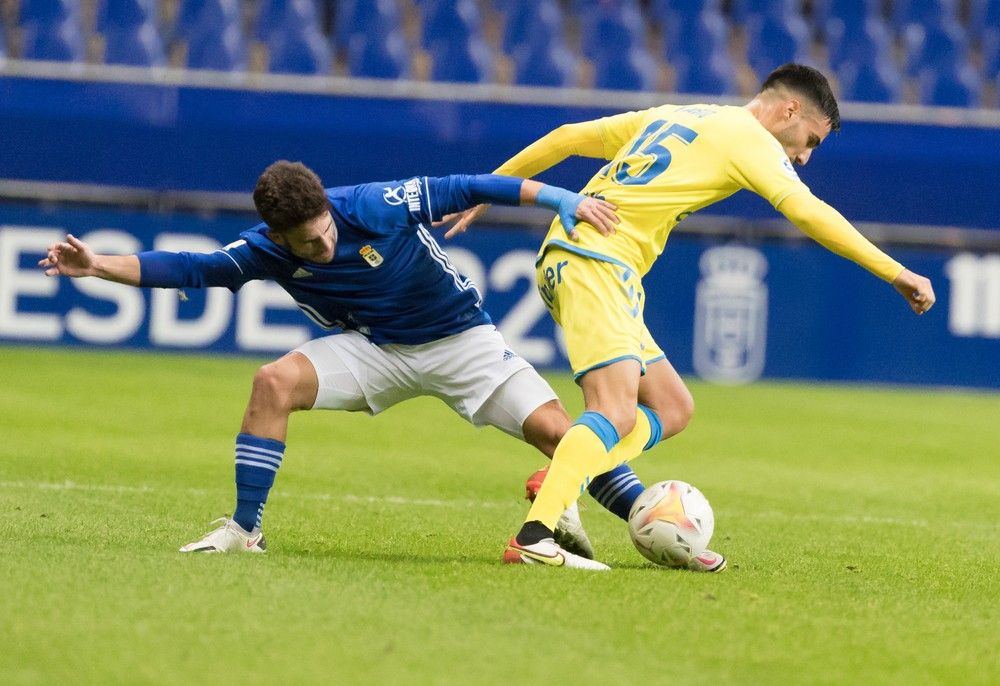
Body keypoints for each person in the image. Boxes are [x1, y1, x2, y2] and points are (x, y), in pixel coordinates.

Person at [441, 64, 936, 569]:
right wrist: (896, 272)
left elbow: (567, 137)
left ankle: (574, 476)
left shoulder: (678, 114)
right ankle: (534, 535)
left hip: (595, 265)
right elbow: (809, 213)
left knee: (674, 405)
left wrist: (489, 189)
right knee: (615, 411)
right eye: (809, 139)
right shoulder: (750, 140)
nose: (804, 157)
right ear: (789, 110)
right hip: (597, 263)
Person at [40, 161, 633, 570]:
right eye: (306, 243)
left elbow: (472, 184)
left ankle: (644, 514)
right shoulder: (266, 249)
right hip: (374, 348)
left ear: (327, 206)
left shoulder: (375, 204)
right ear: (279, 234)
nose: (322, 247)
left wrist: (563, 199)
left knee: (563, 436)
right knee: (273, 381)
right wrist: (96, 266)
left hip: (461, 341)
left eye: (323, 231)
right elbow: (192, 267)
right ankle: (247, 531)